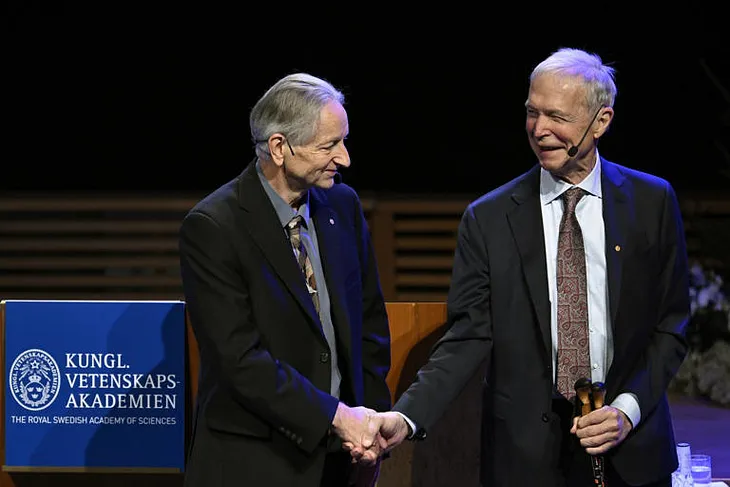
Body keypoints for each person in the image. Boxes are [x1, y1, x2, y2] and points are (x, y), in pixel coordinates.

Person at [361, 47, 691, 487]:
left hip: (630, 449)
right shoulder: (489, 218)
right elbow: (466, 338)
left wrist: (628, 410)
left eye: (557, 117)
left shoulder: (652, 203)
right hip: (525, 459)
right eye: (531, 113)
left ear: (601, 121)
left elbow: (671, 327)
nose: (539, 130)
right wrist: (405, 416)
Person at [179, 72, 392, 487]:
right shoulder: (213, 226)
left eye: (344, 141)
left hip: (342, 460)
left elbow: (369, 324)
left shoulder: (341, 205)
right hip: (254, 463)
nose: (345, 158)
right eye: (330, 145)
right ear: (279, 148)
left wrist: (369, 428)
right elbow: (240, 361)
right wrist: (335, 417)